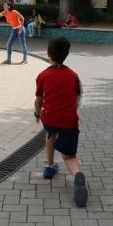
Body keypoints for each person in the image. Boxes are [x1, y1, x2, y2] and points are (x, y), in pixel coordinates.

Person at [35, 37, 87, 207]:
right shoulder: (73, 75)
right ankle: (77, 175)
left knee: (50, 134)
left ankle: (49, 166)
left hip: (49, 118)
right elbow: (78, 97)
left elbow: (39, 100)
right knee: (69, 156)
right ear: (67, 54)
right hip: (69, 120)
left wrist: (37, 113)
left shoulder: (43, 75)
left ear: (48, 54)